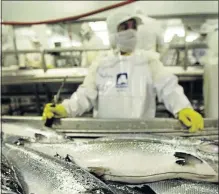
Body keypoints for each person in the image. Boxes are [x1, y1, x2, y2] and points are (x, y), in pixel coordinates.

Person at [42, 10, 204, 133]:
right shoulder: (101, 64)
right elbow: (85, 95)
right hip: (106, 136)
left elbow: (168, 87)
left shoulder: (149, 60)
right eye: (125, 27)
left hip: (144, 135)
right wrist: (65, 108)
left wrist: (183, 107)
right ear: (114, 32)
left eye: (134, 26)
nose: (131, 31)